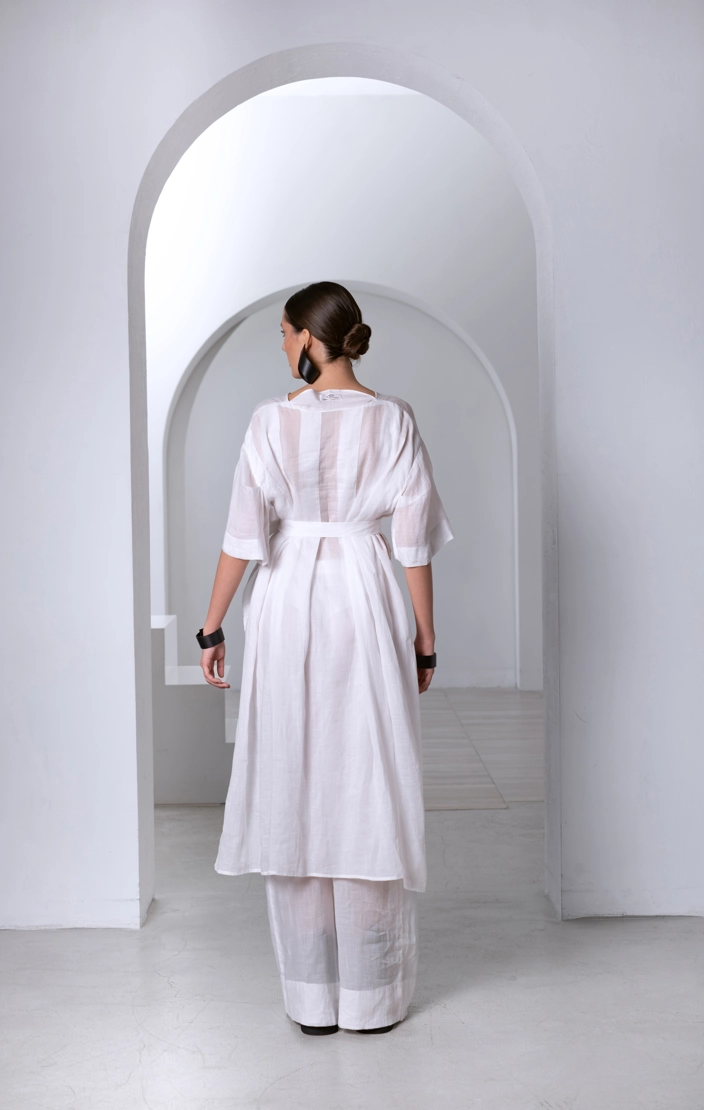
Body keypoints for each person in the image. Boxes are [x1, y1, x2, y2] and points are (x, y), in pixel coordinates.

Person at [198, 282, 454, 1036]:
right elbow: (411, 543)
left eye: (285, 333)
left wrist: (212, 628)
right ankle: (372, 997)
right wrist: (425, 638)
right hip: (366, 600)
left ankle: (311, 995)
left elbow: (244, 535)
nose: (282, 346)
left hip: (288, 604)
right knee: (367, 779)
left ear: (310, 338)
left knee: (293, 779)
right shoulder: (394, 418)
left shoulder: (269, 420)